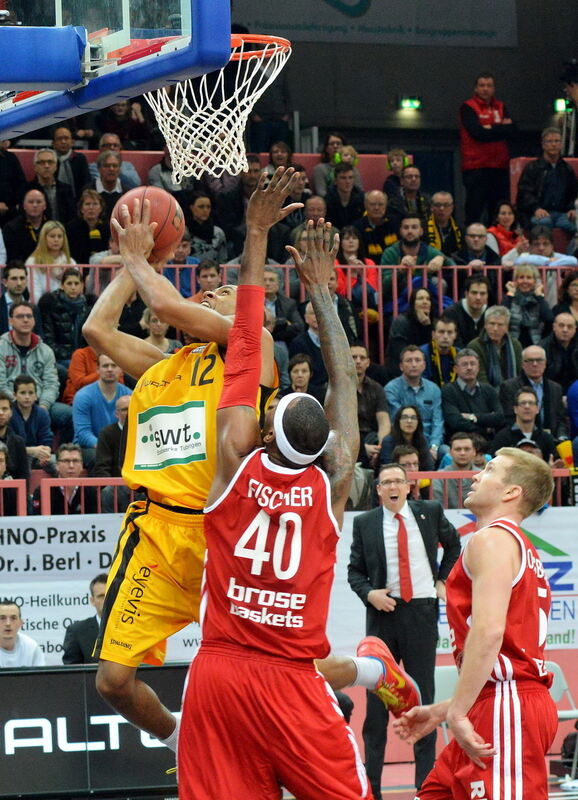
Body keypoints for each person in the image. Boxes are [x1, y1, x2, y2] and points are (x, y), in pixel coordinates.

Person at [82, 170, 289, 750]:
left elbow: (169, 302)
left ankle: (368, 673)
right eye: (214, 288)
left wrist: (138, 255)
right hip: (153, 529)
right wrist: (132, 265)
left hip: (221, 530)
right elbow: (96, 327)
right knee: (113, 682)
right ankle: (179, 742)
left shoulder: (255, 347)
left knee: (280, 666)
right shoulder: (162, 364)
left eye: (225, 291)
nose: (216, 290)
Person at [178, 198, 367, 799]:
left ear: (265, 432)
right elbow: (344, 381)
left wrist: (254, 234)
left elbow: (243, 347)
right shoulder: (332, 481)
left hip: (220, 672)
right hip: (291, 679)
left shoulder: (234, 460)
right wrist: (322, 293)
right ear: (324, 446)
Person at [393, 448, 556, 800]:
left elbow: (490, 633)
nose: (475, 475)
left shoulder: (493, 539)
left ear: (511, 492)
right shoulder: (517, 546)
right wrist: (444, 710)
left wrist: (457, 711)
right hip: (496, 700)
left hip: (506, 704)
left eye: (490, 469)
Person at [348, 462, 461, 797]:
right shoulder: (365, 523)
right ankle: (373, 789)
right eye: (386, 483)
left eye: (399, 481)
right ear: (378, 489)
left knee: (422, 698)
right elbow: (354, 571)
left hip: (421, 613)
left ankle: (425, 787)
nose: (393, 487)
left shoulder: (429, 511)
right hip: (383, 614)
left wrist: (442, 581)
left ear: (410, 486)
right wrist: (370, 593)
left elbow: (454, 545)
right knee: (377, 706)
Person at [0, 301, 72, 442]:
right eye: (20, 316)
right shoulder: (1, 347)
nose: (25, 320)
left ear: (34, 320)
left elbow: (51, 384)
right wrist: (16, 401)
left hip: (40, 402)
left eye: (29, 316)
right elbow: (1, 384)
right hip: (9, 403)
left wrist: (43, 405)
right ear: (10, 321)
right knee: (9, 414)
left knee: (69, 415)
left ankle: (61, 457)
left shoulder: (45, 350)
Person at [459, 72, 516, 224]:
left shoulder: (501, 106)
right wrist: (500, 129)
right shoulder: (468, 107)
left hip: (499, 167)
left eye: (489, 85)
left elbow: (512, 130)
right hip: (476, 168)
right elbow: (477, 133)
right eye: (482, 85)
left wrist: (489, 128)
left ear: (494, 88)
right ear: (476, 88)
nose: (485, 89)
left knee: (497, 213)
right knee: (474, 212)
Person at [72, 353, 132, 470]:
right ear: (97, 370)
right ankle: (102, 489)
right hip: (89, 447)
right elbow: (83, 434)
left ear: (121, 370)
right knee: (99, 457)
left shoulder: (130, 395)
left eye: (114, 365)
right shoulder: (83, 396)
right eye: (105, 366)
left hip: (120, 446)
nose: (110, 369)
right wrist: (106, 448)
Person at [385, 346, 444, 462]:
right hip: (402, 442)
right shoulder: (391, 389)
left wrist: (434, 446)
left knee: (446, 452)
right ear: (401, 366)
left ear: (424, 365)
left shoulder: (434, 389)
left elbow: (438, 421)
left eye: (417, 360)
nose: (413, 364)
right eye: (409, 360)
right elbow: (397, 420)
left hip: (429, 441)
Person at [380, 215, 454, 308]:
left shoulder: (429, 250)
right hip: (398, 301)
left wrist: (441, 258)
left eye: (414, 227)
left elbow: (453, 266)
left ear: (421, 231)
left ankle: (436, 314)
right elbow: (384, 286)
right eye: (406, 227)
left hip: (425, 299)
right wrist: (401, 270)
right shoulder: (390, 252)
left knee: (439, 282)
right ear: (400, 231)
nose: (410, 231)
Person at [516, 126, 578, 234]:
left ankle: (572, 251)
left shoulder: (567, 169)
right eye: (549, 141)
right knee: (543, 223)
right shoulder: (532, 168)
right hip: (539, 212)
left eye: (557, 141)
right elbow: (524, 194)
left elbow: (575, 193)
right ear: (543, 144)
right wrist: (536, 208)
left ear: (561, 144)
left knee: (576, 225)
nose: (554, 144)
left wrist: (573, 208)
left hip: (563, 214)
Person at [499, 345, 568, 441]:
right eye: (530, 361)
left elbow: (561, 420)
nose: (535, 364)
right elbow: (509, 419)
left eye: (539, 360)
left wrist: (562, 437)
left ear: (545, 363)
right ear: (522, 364)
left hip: (552, 440)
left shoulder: (555, 388)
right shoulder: (509, 387)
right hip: (521, 440)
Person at [441, 349, 505, 441]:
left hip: (487, 443)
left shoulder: (489, 390)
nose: (469, 367)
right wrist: (485, 428)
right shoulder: (448, 390)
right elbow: (455, 422)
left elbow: (500, 417)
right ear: (455, 369)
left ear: (478, 367)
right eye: (464, 364)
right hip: (460, 443)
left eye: (473, 364)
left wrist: (472, 417)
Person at [38, 267, 94, 366]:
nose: (73, 287)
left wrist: (81, 356)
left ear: (82, 286)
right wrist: (69, 356)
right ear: (62, 286)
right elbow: (49, 339)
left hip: (83, 357)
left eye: (76, 284)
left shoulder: (89, 307)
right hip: (60, 358)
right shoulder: (51, 305)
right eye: (69, 283)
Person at [489, 387, 557, 460]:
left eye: (531, 403)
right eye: (523, 403)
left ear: (537, 409)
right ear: (515, 409)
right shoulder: (502, 438)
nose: (527, 406)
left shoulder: (546, 438)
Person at [351, 342, 390, 468]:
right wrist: (362, 448)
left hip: (371, 438)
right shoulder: (336, 389)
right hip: (348, 440)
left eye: (362, 358)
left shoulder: (377, 388)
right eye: (353, 357)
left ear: (368, 363)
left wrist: (378, 447)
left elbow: (384, 422)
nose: (358, 361)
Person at [93, 394, 133, 512]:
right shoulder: (106, 433)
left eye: (132, 408)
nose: (129, 412)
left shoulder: (145, 431)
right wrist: (112, 484)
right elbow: (102, 465)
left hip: (139, 483)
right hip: (116, 483)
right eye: (125, 409)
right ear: (117, 414)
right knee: (108, 492)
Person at [32, 442, 97, 514]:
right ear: (57, 465)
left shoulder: (91, 491)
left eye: (75, 461)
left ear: (81, 466)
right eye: (66, 461)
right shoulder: (42, 491)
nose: (71, 466)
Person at [467, 305, 522, 387]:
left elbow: (520, 375)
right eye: (492, 324)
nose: (495, 328)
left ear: (507, 327)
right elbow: (480, 379)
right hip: (485, 394)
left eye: (500, 325)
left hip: (512, 393)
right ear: (485, 325)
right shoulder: (475, 346)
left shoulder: (515, 345)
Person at [502, 263, 553, 348]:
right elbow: (501, 317)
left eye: (529, 278)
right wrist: (510, 294)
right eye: (521, 277)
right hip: (512, 345)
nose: (525, 281)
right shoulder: (510, 298)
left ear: (535, 281)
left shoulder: (539, 299)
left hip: (536, 344)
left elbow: (549, 319)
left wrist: (539, 296)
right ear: (515, 281)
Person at [386, 287, 437, 371]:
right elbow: (399, 352)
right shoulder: (401, 321)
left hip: (425, 367)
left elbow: (432, 350)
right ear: (413, 303)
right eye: (420, 299)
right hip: (401, 368)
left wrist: (427, 327)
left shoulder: (433, 322)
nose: (425, 302)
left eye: (428, 299)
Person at [10, 374, 53, 471]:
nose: (27, 397)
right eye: (22, 393)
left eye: (31, 393)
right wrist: (31, 451)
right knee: (25, 462)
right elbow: (10, 445)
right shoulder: (9, 414)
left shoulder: (42, 413)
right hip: (15, 457)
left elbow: (46, 438)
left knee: (55, 463)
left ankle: (60, 487)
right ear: (14, 395)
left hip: (38, 455)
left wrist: (45, 451)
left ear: (36, 396)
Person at [26, 220, 77, 301]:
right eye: (52, 236)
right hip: (43, 306)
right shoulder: (33, 261)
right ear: (44, 238)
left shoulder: (71, 262)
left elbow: (76, 290)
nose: (56, 240)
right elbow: (35, 292)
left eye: (60, 236)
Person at [62, 574, 107, 664]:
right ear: (92, 601)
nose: (106, 600)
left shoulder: (132, 628)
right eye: (101, 596)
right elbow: (71, 673)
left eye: (111, 595)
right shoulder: (77, 632)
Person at [25, 147, 76, 224]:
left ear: (55, 166)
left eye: (50, 162)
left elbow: (72, 217)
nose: (46, 166)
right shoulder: (27, 190)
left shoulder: (66, 189)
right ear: (35, 167)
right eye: (42, 162)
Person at [379, 405, 435, 471]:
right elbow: (389, 468)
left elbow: (429, 467)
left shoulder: (422, 440)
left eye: (413, 418)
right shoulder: (388, 441)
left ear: (418, 422)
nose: (409, 421)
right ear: (398, 421)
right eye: (405, 417)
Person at [433, 433, 479, 508]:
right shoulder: (438, 477)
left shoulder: (483, 476)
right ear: (450, 452)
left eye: (467, 449)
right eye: (458, 449)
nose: (462, 453)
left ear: (474, 452)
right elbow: (438, 507)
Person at [65, 188, 109, 265]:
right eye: (87, 204)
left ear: (101, 208)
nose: (91, 207)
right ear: (81, 208)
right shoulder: (71, 228)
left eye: (95, 204)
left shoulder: (107, 229)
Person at [353, 189, 399, 262]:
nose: (376, 208)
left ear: (386, 205)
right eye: (372, 204)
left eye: (380, 204)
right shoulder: (358, 227)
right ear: (365, 205)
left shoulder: (395, 223)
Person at [3, 189, 48, 263]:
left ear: (45, 206)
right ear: (24, 206)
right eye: (31, 202)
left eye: (38, 202)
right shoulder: (11, 228)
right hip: (20, 270)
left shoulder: (51, 227)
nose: (35, 205)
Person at [0, 262, 43, 335]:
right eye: (14, 279)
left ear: (27, 281)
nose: (19, 283)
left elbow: (39, 337)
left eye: (22, 278)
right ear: (5, 282)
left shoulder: (34, 309)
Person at [184, 191, 227, 264]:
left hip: (212, 273)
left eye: (208, 207)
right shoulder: (184, 231)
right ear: (191, 207)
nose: (205, 210)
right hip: (189, 272)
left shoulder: (218, 233)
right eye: (201, 207)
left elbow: (222, 259)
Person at [540, 312, 578, 393]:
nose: (565, 330)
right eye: (561, 325)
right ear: (554, 327)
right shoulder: (542, 348)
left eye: (569, 327)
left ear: (575, 329)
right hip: (551, 393)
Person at [0, 600, 45, 668]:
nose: (8, 623)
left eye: (13, 618)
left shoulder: (31, 648)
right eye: (2, 618)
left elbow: (41, 677)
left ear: (21, 623)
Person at [51, 125, 92, 200]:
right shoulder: (49, 160)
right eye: (59, 139)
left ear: (72, 142)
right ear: (53, 143)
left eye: (66, 138)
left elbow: (86, 182)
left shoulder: (80, 158)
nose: (63, 142)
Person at [325, 162, 365, 229]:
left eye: (350, 177)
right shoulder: (327, 199)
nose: (348, 181)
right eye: (343, 178)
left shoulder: (361, 198)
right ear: (335, 180)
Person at [420, 316, 458, 387]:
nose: (445, 336)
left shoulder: (460, 355)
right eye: (441, 332)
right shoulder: (421, 354)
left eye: (449, 332)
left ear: (455, 335)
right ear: (433, 334)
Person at [0, 389, 28, 481]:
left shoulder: (18, 442)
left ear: (11, 412)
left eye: (5, 409)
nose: (1, 413)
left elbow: (24, 477)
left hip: (11, 493)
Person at [425, 192, 463, 258]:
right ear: (431, 207)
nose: (442, 208)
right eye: (437, 205)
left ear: (452, 208)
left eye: (446, 205)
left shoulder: (460, 229)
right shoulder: (422, 228)